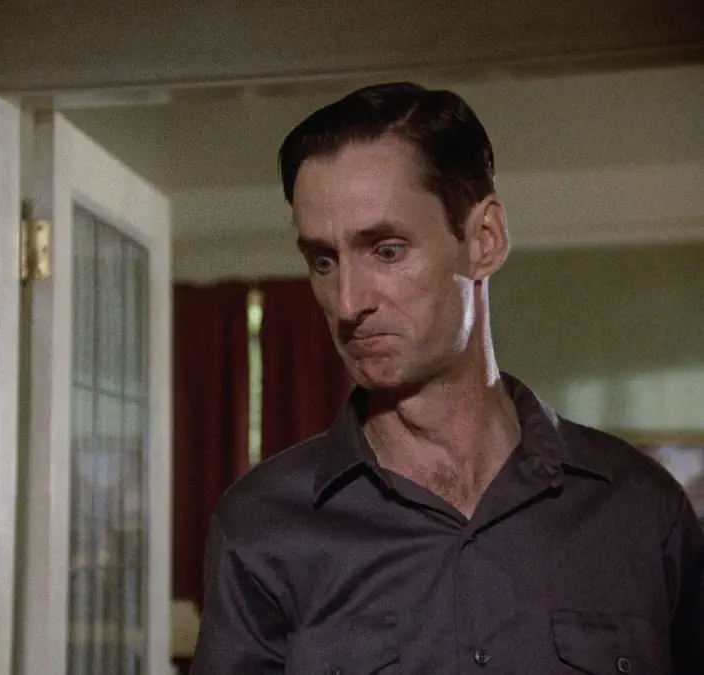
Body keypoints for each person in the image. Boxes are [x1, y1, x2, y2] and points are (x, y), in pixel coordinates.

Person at [190, 82, 704, 674]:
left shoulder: (640, 508)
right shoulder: (262, 526)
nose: (348, 302)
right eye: (324, 261)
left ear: (484, 241)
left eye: (386, 250)